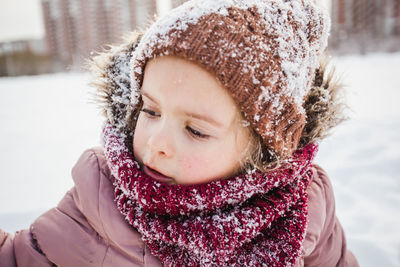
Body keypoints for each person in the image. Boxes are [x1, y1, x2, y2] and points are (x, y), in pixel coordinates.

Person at [0, 0, 359, 266]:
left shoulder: (306, 209)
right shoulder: (101, 202)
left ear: (263, 154)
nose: (156, 145)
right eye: (150, 110)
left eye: (196, 130)